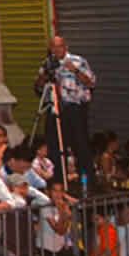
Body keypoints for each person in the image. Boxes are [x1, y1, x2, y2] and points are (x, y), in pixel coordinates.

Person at [36, 35, 96, 178]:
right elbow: (38, 86)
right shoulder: (48, 63)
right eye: (53, 47)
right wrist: (44, 75)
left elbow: (91, 83)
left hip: (75, 107)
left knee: (80, 144)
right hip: (55, 107)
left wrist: (74, 70)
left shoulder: (78, 61)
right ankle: (58, 178)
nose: (56, 50)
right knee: (54, 145)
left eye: (59, 46)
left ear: (66, 47)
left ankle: (86, 177)